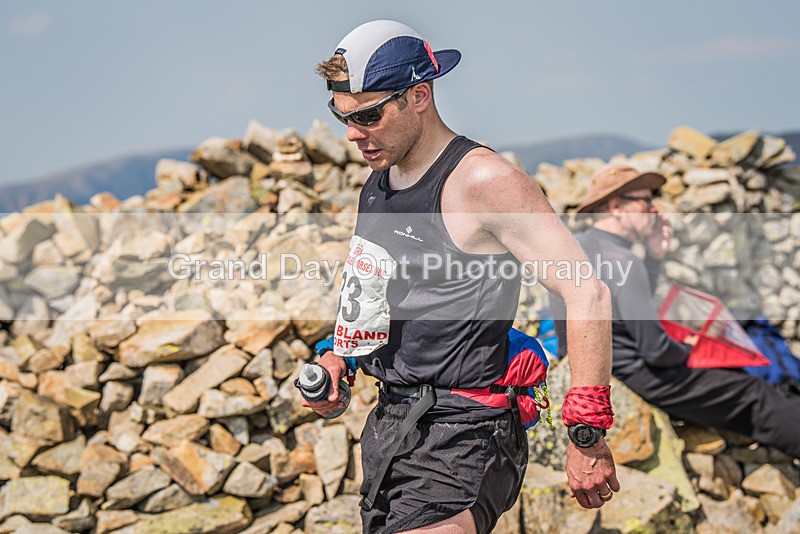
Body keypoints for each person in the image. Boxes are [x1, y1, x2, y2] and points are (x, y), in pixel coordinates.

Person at [303, 20, 620, 534]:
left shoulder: (485, 181)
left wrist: (587, 435)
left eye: (368, 116)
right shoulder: (379, 183)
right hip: (392, 429)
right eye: (342, 117)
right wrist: (341, 357)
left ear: (420, 96)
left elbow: (586, 291)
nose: (353, 134)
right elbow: (381, 290)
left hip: (467, 435)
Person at [550, 163, 800, 459]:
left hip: (596, 370)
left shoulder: (577, 249)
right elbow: (655, 350)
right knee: (755, 393)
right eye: (645, 201)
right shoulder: (625, 259)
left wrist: (654, 258)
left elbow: (625, 315)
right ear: (616, 206)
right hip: (638, 375)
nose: (654, 210)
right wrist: (690, 349)